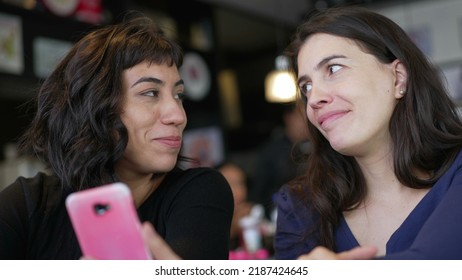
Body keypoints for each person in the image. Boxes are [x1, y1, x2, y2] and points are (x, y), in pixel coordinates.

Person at [0, 13, 233, 260]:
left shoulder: (199, 192)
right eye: (151, 93)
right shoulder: (27, 204)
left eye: (178, 95)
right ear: (96, 106)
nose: (178, 115)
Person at [274, 6, 462, 260]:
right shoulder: (301, 208)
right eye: (306, 87)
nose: (314, 99)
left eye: (334, 69)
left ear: (398, 79)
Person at [251, 102, 310, 218]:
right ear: (288, 118)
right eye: (302, 117)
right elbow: (259, 194)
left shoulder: (319, 148)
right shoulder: (271, 151)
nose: (307, 123)